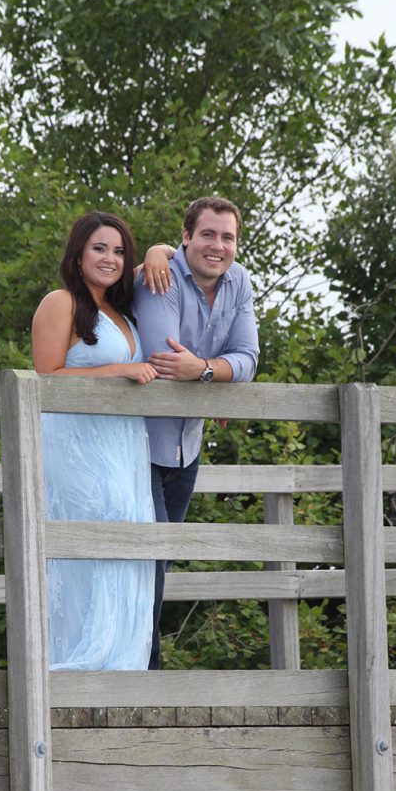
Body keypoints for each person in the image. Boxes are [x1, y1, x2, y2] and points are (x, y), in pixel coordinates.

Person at [134, 195, 260, 669]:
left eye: (228, 237)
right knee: (151, 554)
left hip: (188, 449)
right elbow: (163, 359)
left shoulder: (240, 281)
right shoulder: (159, 273)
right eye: (207, 234)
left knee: (160, 560)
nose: (218, 245)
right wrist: (210, 369)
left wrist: (205, 369)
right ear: (186, 236)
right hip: (139, 444)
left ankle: (136, 666)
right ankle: (146, 672)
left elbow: (248, 359)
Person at [32, 211, 157, 670]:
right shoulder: (60, 302)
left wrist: (158, 251)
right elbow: (46, 376)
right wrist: (120, 370)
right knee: (94, 532)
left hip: (122, 446)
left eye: (120, 251)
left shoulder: (122, 312)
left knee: (129, 535)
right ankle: (77, 663)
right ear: (78, 253)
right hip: (76, 444)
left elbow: (169, 261)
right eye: (100, 248)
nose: (110, 258)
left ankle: (123, 665)